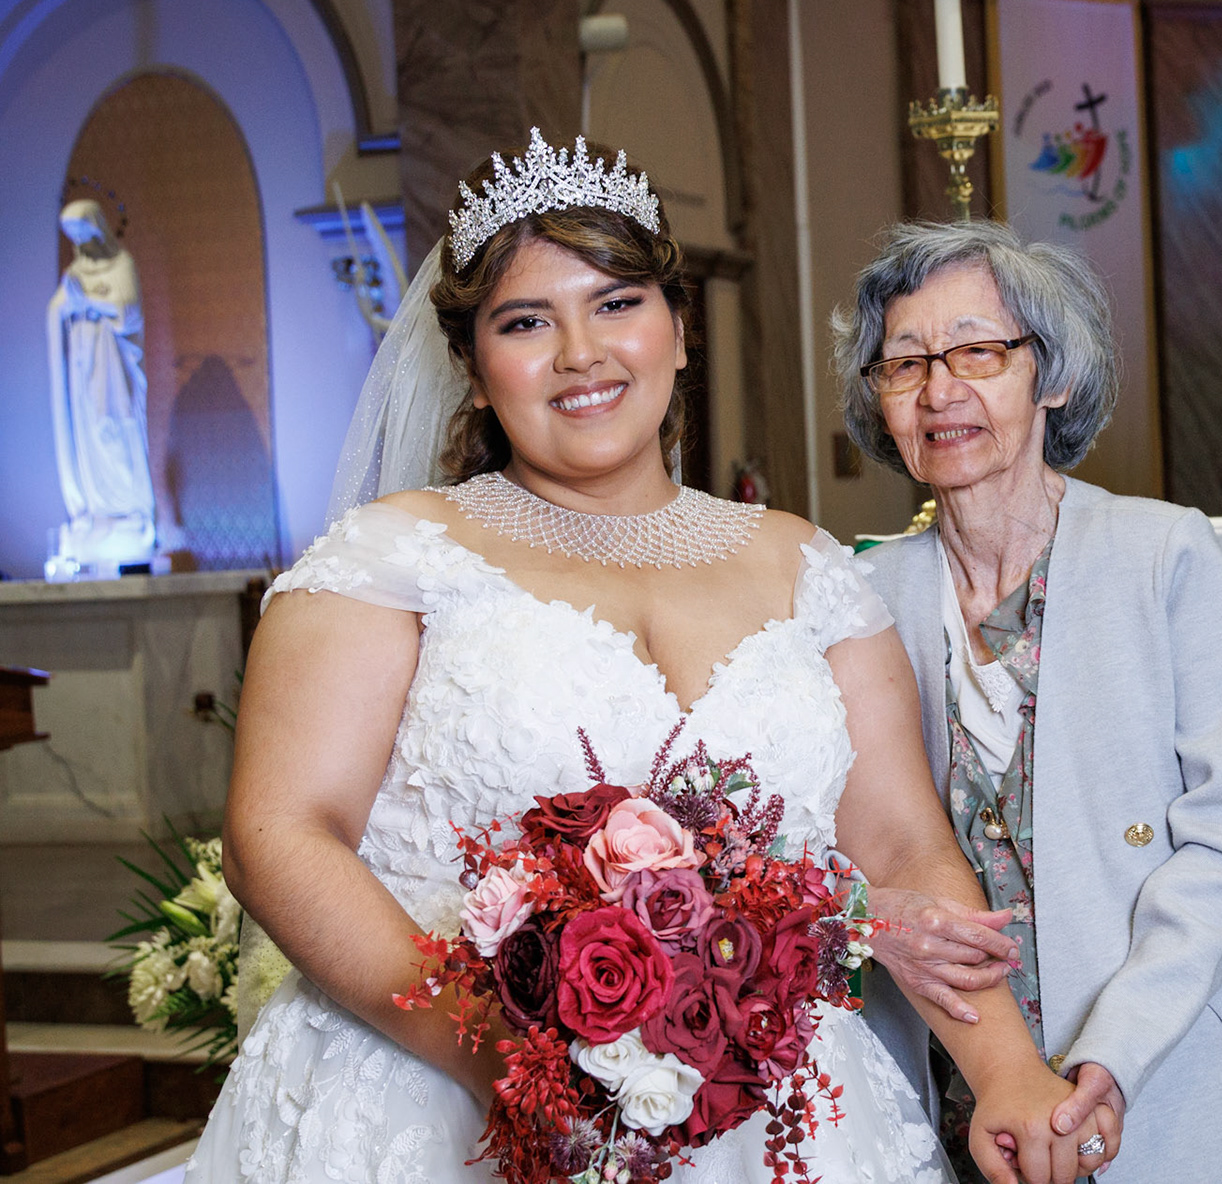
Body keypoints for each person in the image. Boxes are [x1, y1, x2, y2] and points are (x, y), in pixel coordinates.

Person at [186, 133, 1106, 1184]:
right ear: (476, 373)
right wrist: (513, 1065)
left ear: (678, 331)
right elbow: (280, 835)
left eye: (617, 303)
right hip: (440, 1094)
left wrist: (1005, 1070)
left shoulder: (805, 566)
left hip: (773, 1107)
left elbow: (902, 849)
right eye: (526, 322)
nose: (581, 353)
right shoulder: (393, 559)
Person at [836, 220, 1222, 1184]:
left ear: (1053, 377)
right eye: (904, 364)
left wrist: (1111, 1057)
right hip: (956, 1091)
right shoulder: (859, 593)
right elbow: (832, 840)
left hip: (1174, 1068)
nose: (940, 391)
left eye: (979, 352)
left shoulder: (1160, 552)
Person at [46, 198, 156, 573]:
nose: (81, 243)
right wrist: (69, 305)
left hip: (112, 371)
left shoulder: (122, 264)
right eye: (74, 237)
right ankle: (99, 514)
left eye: (85, 233)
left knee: (114, 433)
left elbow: (129, 311)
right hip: (83, 366)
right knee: (90, 437)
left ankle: (128, 514)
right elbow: (57, 309)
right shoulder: (74, 272)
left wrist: (89, 301)